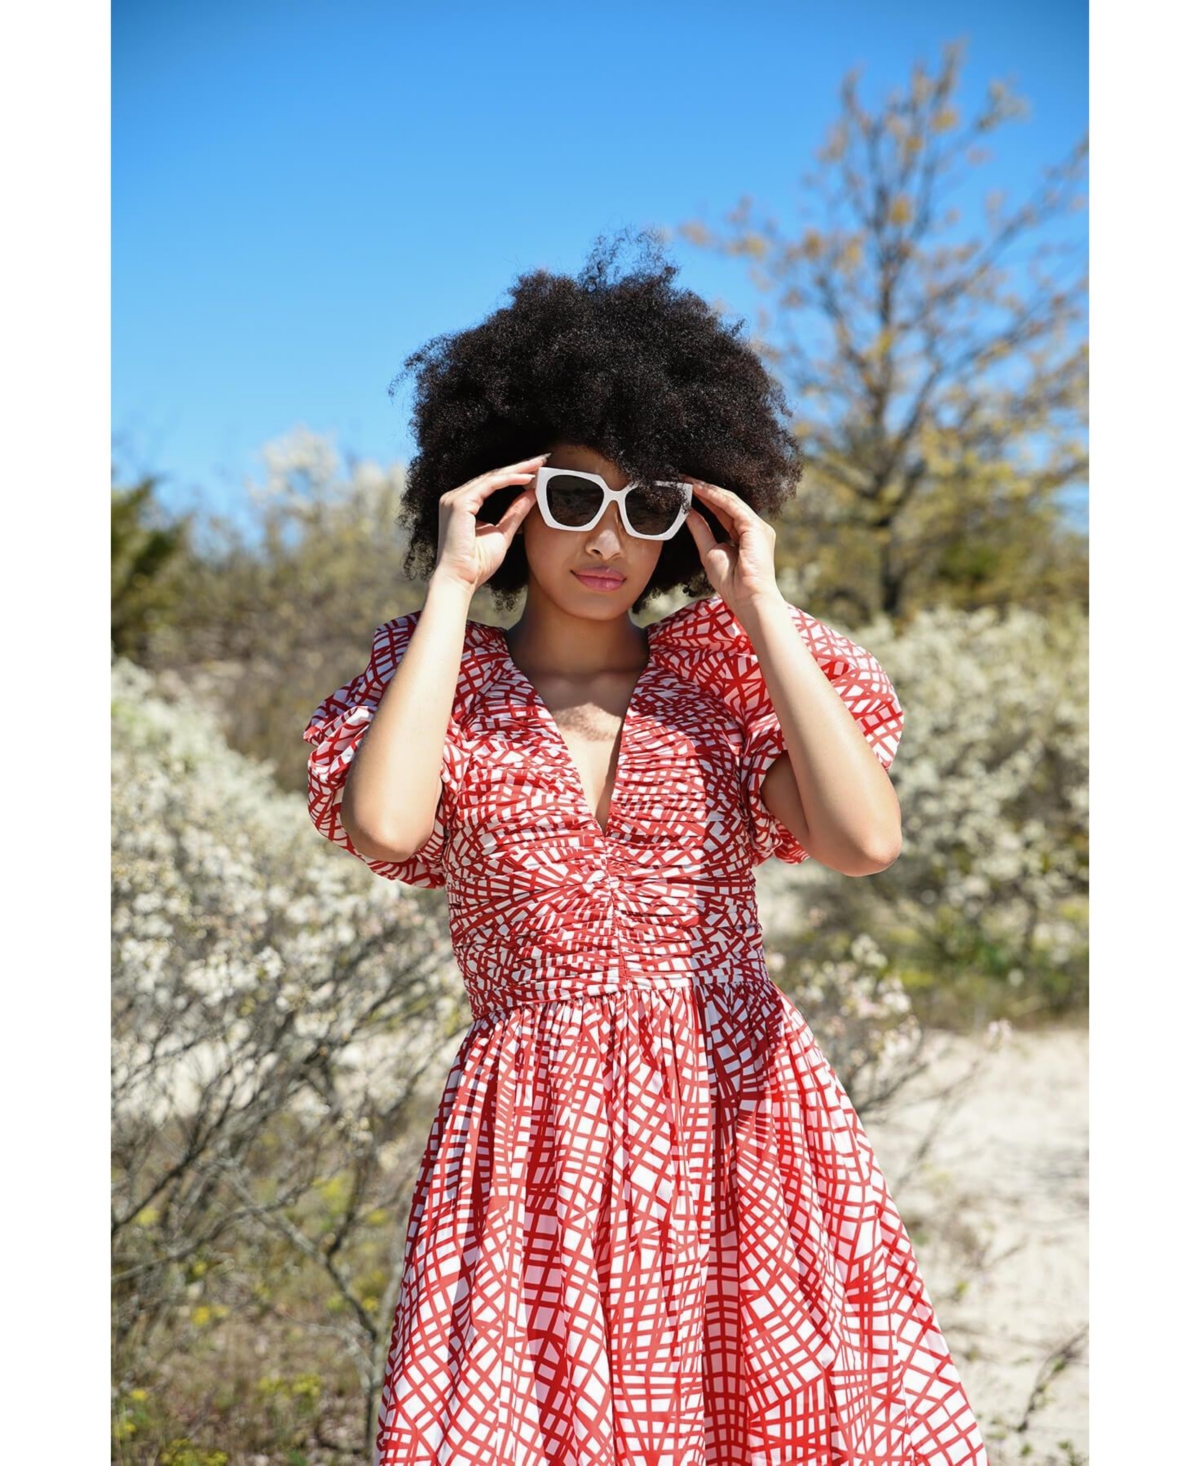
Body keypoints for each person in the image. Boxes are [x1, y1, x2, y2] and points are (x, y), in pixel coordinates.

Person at [303, 231, 989, 1466]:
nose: (607, 537)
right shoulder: (435, 689)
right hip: (532, 1137)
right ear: (505, 495)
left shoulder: (723, 683)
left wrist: (760, 602)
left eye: (648, 502)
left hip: (742, 1114)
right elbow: (386, 824)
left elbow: (864, 839)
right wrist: (456, 591)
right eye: (569, 496)